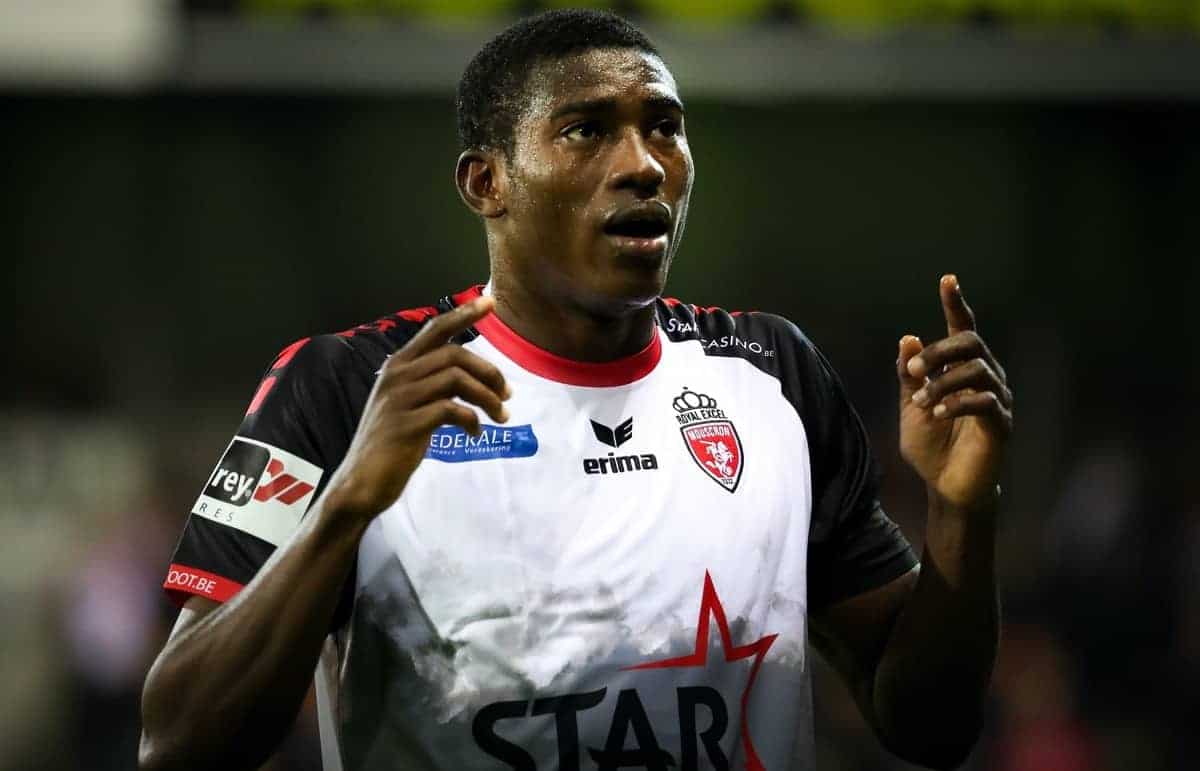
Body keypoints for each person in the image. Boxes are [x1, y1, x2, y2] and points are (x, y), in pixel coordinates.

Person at [138, 9, 1012, 771]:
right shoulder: (345, 387)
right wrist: (342, 511)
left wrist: (960, 513)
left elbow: (930, 726)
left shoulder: (770, 375)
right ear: (488, 182)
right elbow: (177, 742)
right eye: (588, 129)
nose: (644, 165)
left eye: (664, 127)